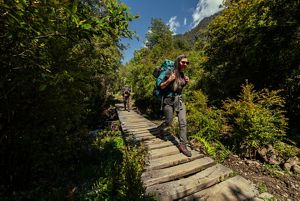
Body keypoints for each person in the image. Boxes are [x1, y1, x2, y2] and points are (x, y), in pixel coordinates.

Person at [156, 54, 191, 157]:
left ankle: (183, 145)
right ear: (178, 62)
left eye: (187, 62)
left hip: (179, 99)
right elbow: (160, 86)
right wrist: (169, 80)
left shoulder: (182, 74)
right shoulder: (168, 72)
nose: (185, 64)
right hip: (168, 99)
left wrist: (185, 83)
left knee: (183, 122)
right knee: (169, 121)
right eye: (183, 62)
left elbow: (179, 88)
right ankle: (160, 129)